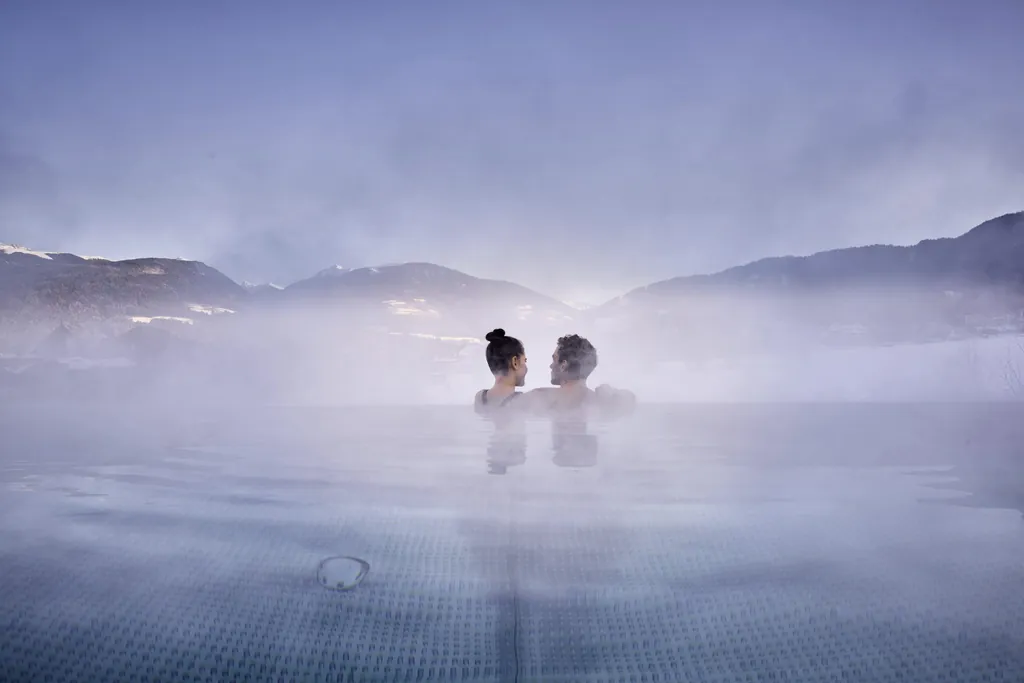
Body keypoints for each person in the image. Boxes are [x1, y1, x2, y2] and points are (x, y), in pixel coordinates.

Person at [523, 333, 636, 415]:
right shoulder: (601, 402)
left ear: (563, 365)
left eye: (554, 360)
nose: (551, 366)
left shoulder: (540, 397)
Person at [473, 328, 528, 412]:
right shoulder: (521, 401)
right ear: (515, 362)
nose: (526, 367)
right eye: (525, 361)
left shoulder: (480, 397)